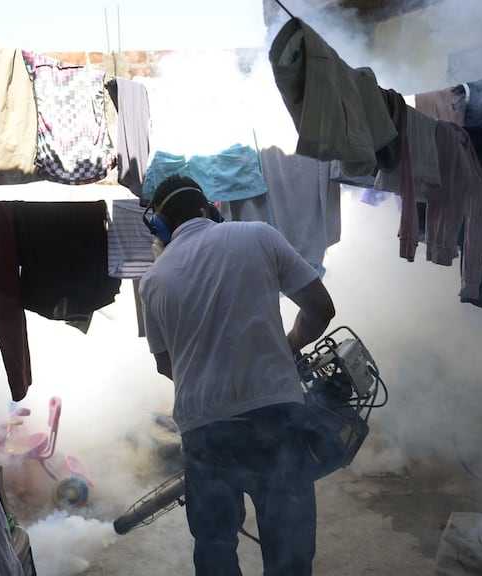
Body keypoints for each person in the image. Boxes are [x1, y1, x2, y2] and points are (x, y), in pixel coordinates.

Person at [138, 174, 336, 575]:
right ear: (212, 209)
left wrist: (209, 375)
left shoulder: (152, 282)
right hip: (275, 419)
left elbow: (165, 364)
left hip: (205, 431)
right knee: (289, 554)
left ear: (160, 227)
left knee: (215, 549)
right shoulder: (258, 235)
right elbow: (320, 308)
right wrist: (288, 345)